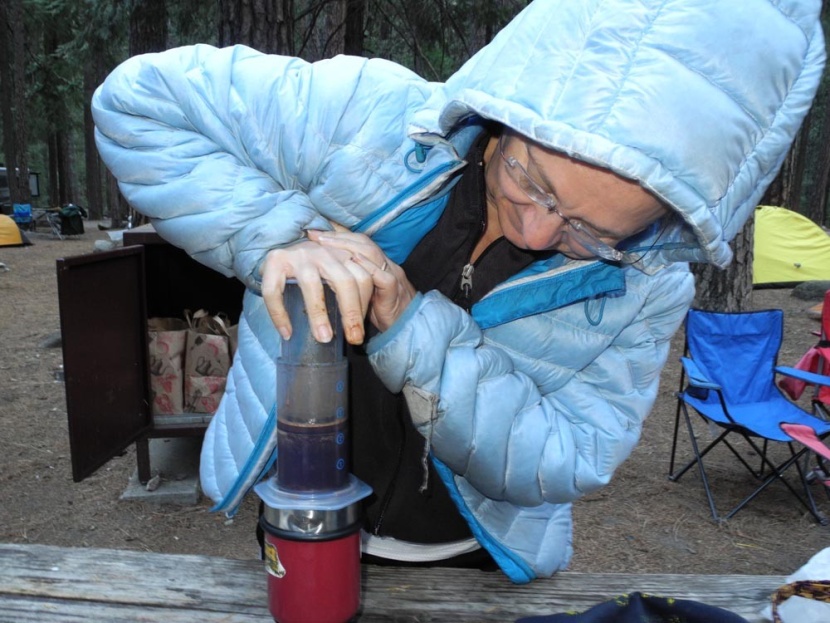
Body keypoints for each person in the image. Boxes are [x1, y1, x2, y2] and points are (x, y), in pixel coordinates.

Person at [92, 0, 825, 582]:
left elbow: (572, 451)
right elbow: (138, 103)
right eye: (528, 180)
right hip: (299, 514)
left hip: (469, 560)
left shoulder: (648, 282)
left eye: (593, 231)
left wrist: (408, 324)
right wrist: (281, 238)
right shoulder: (368, 117)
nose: (537, 231)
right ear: (506, 109)